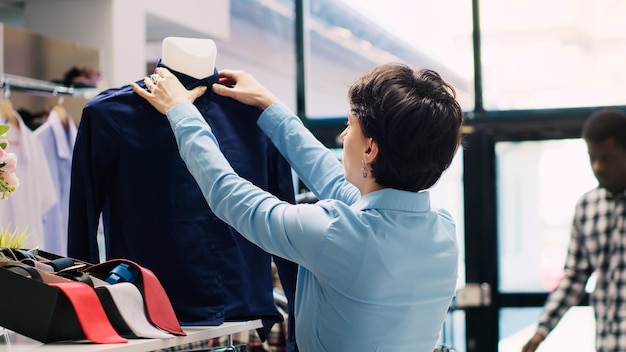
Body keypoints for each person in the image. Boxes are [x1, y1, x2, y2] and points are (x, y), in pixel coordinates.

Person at [131, 62, 464, 351]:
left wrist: (181, 112)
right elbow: (334, 181)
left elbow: (230, 196)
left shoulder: (338, 232)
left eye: (350, 126)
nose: (342, 136)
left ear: (370, 149)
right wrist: (268, 104)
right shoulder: (443, 232)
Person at [521, 108, 626, 352]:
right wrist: (540, 333)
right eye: (592, 157)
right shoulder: (587, 207)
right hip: (606, 344)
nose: (598, 166)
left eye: (607, 158)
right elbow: (574, 277)